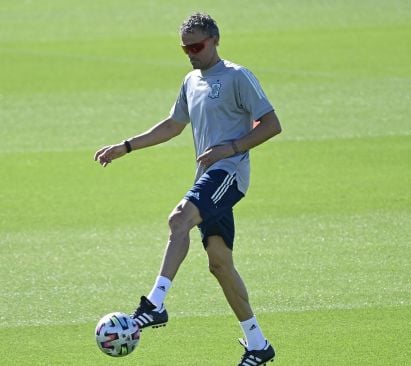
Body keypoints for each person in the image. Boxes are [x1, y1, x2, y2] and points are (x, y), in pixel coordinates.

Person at [94, 12, 281, 366]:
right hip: (207, 178)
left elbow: (272, 124)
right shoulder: (190, 81)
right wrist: (126, 146)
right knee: (220, 264)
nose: (192, 53)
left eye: (197, 46)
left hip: (229, 173)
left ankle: (155, 304)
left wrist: (232, 148)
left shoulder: (237, 76)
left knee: (179, 218)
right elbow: (173, 125)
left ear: (215, 40)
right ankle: (259, 346)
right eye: (185, 48)